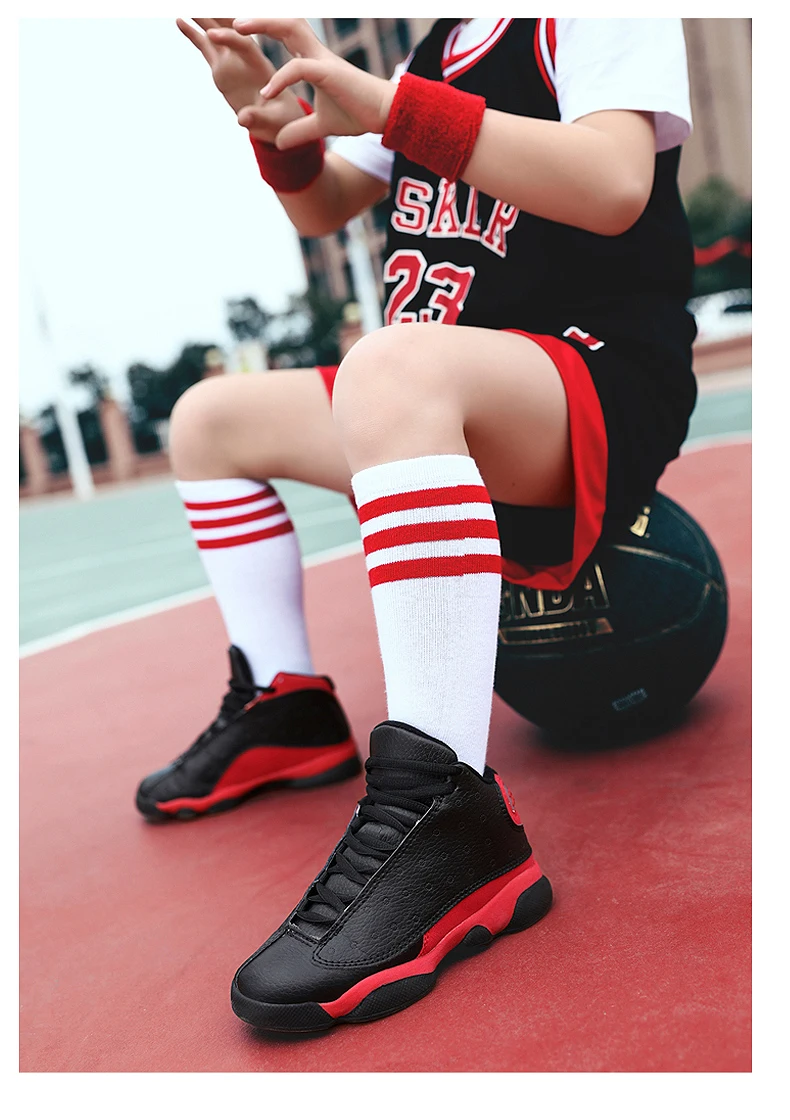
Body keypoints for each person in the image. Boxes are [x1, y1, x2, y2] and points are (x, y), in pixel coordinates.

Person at [136, 17, 697, 1031]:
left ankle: (445, 803)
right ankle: (286, 704)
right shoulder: (434, 48)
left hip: (596, 377)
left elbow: (616, 185)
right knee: (208, 419)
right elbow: (323, 205)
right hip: (440, 392)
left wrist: (388, 106)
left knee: (390, 362)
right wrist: (261, 111)